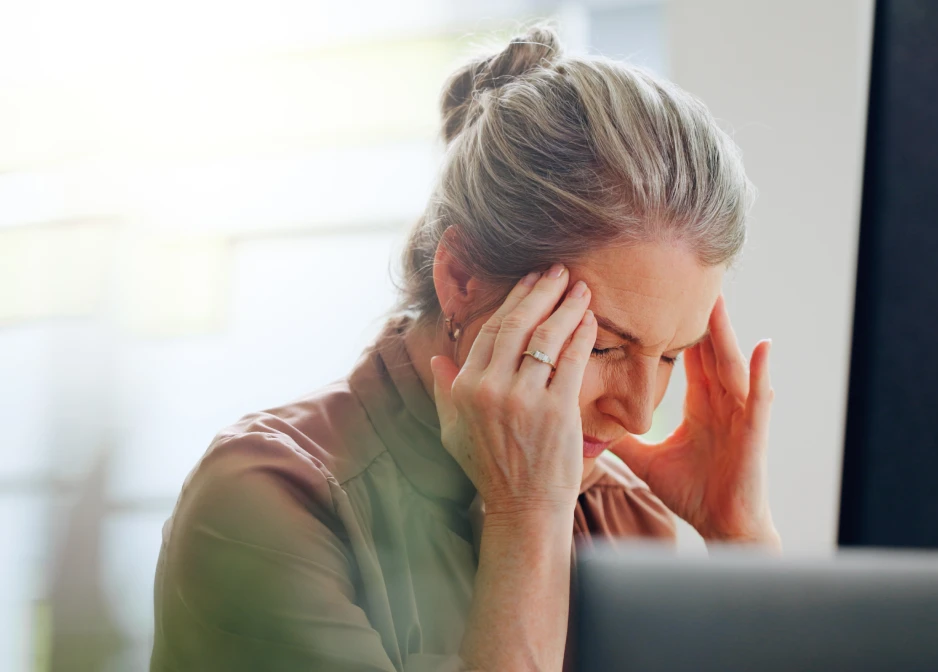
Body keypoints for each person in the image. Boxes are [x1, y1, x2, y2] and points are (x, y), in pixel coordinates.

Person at [150, 24, 779, 672]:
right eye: (603, 347)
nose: (641, 414)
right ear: (460, 279)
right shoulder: (266, 502)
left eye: (671, 355)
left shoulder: (618, 510)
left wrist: (739, 538)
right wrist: (527, 513)